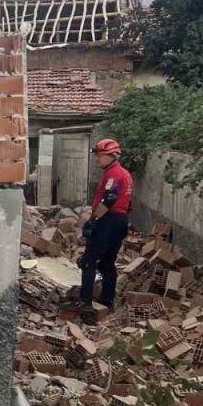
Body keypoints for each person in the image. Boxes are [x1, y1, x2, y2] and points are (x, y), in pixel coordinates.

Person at [77, 138, 133, 324]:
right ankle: (107, 302)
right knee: (107, 263)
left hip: (109, 219)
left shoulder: (114, 174)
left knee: (88, 261)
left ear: (113, 155)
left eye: (100, 156)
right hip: (120, 221)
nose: (97, 159)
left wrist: (93, 220)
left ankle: (85, 302)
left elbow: (109, 199)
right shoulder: (123, 174)